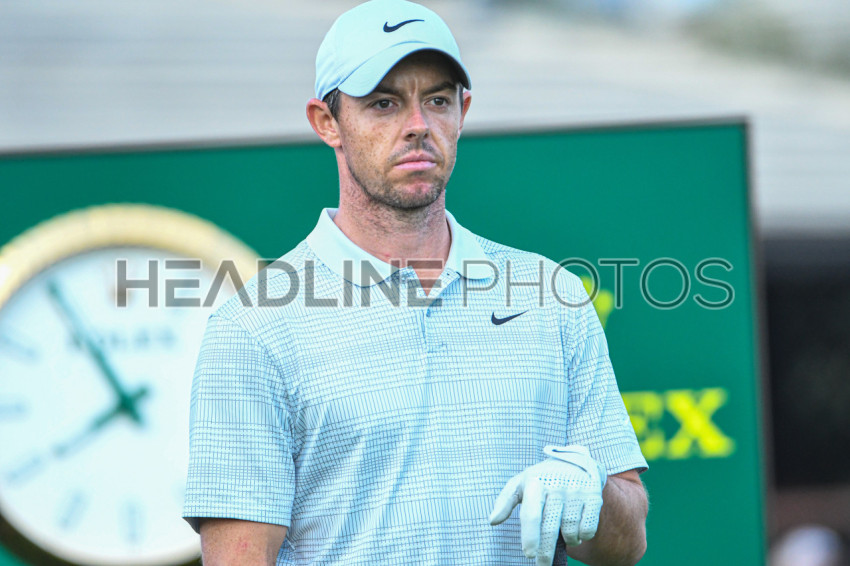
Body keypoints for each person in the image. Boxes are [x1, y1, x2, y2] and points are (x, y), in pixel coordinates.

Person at [182, 1, 649, 565]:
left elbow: (627, 545)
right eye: (384, 103)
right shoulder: (253, 328)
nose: (418, 125)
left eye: (437, 100)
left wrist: (593, 490)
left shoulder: (552, 296)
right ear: (326, 122)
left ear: (463, 111)